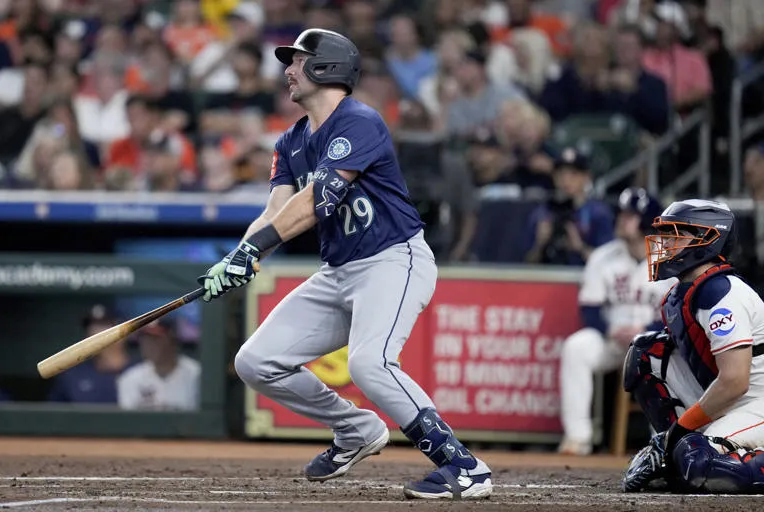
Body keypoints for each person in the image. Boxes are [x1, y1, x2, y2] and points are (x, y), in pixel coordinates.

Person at [196, 28, 493, 500]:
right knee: (255, 362)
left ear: (326, 66)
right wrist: (238, 255)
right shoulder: (290, 141)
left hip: (394, 259)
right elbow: (276, 212)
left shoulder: (360, 120)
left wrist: (253, 252)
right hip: (339, 271)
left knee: (369, 362)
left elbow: (316, 201)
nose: (288, 70)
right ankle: (355, 430)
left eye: (296, 60)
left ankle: (463, 465)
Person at [622, 199, 764, 493]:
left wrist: (681, 430)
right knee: (646, 354)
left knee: (699, 462)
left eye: (676, 234)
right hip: (733, 398)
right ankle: (675, 455)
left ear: (707, 239)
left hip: (756, 401)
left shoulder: (722, 292)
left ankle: (690, 452)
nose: (665, 242)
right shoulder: (681, 293)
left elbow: (735, 381)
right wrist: (673, 440)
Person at [558, 188, 673, 455]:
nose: (622, 220)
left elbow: (679, 312)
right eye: (621, 214)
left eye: (631, 215)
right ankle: (578, 438)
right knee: (576, 347)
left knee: (671, 360)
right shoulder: (604, 256)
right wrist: (610, 329)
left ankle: (664, 442)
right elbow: (590, 308)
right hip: (612, 338)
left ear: (649, 221)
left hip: (656, 342)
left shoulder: (670, 260)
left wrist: (646, 331)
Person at [48, 304, 132, 404]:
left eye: (104, 325)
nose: (94, 332)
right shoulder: (72, 376)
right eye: (91, 326)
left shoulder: (143, 372)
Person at [117, 318, 201, 411]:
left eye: (155, 338)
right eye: (145, 339)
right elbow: (129, 422)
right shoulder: (130, 379)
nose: (149, 344)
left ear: (172, 340)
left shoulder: (196, 375)